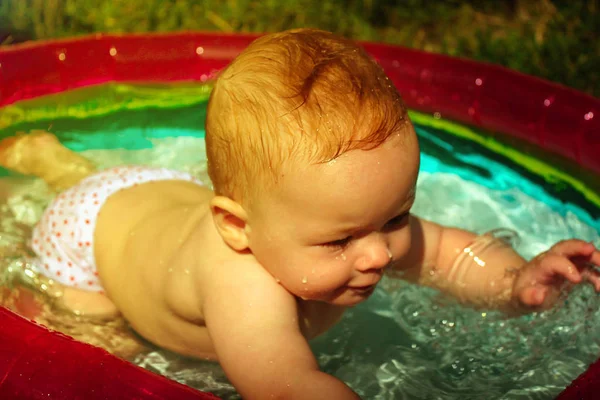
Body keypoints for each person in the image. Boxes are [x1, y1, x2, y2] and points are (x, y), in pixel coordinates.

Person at [1, 29, 599, 399]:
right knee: (95, 344)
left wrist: (516, 282)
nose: (380, 253)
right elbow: (286, 386)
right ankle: (57, 183)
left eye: (396, 218)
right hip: (89, 241)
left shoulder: (353, 220)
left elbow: (450, 254)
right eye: (339, 242)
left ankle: (57, 162)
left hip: (160, 192)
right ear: (238, 230)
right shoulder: (243, 282)